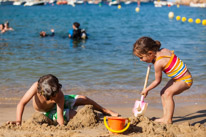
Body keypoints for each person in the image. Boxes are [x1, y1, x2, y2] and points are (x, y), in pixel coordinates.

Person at [7, 74, 118, 126]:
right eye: (53, 96)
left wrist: (61, 125)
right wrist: (18, 121)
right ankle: (98, 117)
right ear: (42, 92)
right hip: (46, 112)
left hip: (58, 107)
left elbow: (60, 114)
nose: (57, 96)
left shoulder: (58, 93)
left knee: (83, 98)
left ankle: (105, 111)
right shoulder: (35, 87)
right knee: (73, 114)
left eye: (57, 93)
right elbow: (21, 103)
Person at [133, 36, 193, 124]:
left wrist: (146, 89)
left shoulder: (158, 63)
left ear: (150, 53)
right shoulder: (164, 50)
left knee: (168, 93)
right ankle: (165, 117)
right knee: (163, 92)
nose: (141, 60)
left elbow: (157, 81)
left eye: (141, 57)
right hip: (177, 78)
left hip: (185, 79)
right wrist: (152, 61)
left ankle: (168, 119)